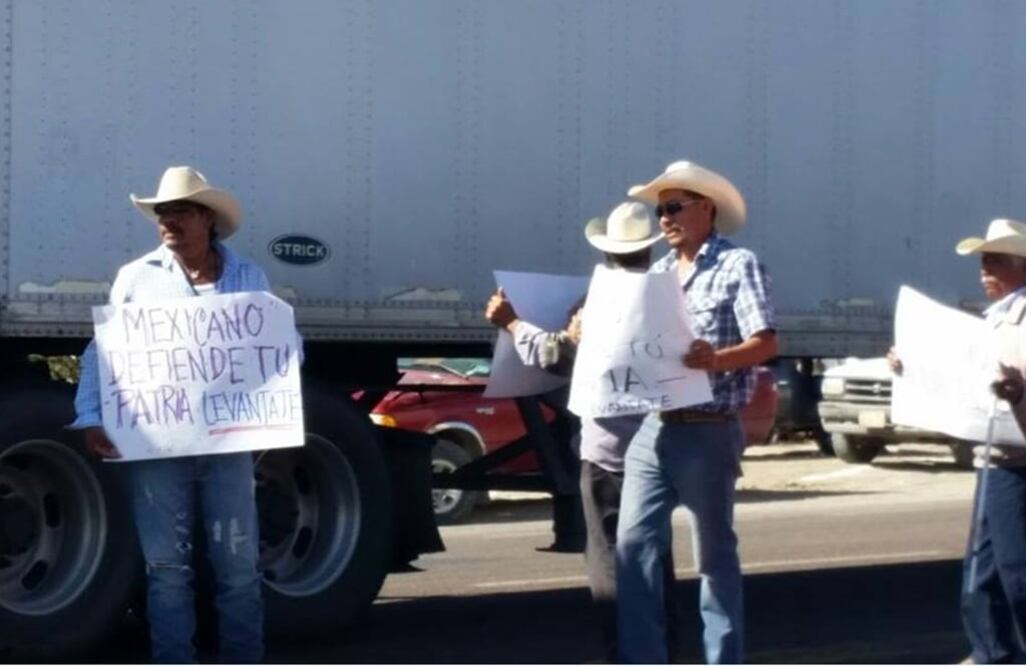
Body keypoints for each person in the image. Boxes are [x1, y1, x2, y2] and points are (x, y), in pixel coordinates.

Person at [70, 166, 268, 663]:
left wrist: (277, 391)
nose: (168, 222)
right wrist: (92, 414)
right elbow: (104, 352)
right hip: (158, 442)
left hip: (227, 443)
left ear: (207, 219)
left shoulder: (248, 276)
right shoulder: (136, 279)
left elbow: (278, 348)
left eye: (179, 212)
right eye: (162, 213)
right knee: (165, 568)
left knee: (238, 568)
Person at [485, 202, 678, 660]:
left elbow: (555, 357)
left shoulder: (601, 303)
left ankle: (627, 652)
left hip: (608, 452)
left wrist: (510, 322)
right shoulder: (666, 299)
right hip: (658, 447)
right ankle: (666, 644)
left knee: (611, 559)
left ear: (608, 253)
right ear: (649, 252)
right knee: (654, 552)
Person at [615, 161, 777, 664]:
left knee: (713, 556)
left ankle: (722, 658)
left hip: (708, 429)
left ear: (706, 209)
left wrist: (717, 360)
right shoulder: (657, 274)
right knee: (632, 547)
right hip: (655, 426)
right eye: (660, 210)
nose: (663, 219)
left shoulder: (738, 264)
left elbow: (766, 342)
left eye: (673, 207)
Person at [890, 218, 1026, 664]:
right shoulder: (995, 317)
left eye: (995, 261)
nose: (984, 269)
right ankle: (991, 653)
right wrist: (909, 364)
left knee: (1013, 572)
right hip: (995, 457)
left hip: (1017, 459)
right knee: (982, 572)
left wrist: (1018, 390)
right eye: (983, 261)